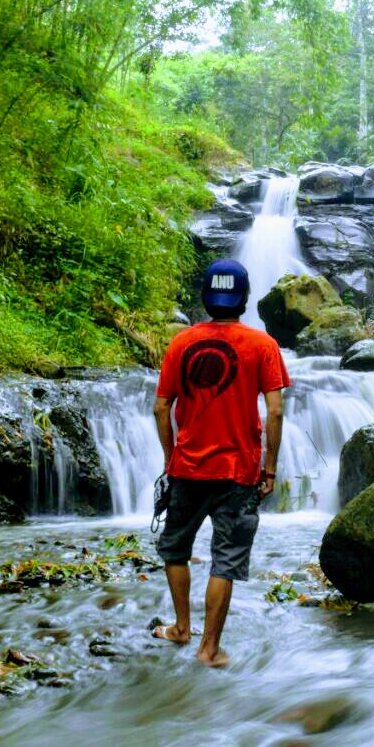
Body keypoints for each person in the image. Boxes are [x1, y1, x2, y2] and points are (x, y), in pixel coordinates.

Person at [151, 259, 289, 667]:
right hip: (238, 471)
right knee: (224, 560)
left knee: (175, 549)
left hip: (187, 468)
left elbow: (161, 408)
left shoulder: (180, 343)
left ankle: (180, 628)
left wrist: (169, 458)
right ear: (245, 298)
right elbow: (276, 411)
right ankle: (209, 649)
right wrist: (270, 468)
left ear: (206, 297)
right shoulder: (263, 345)